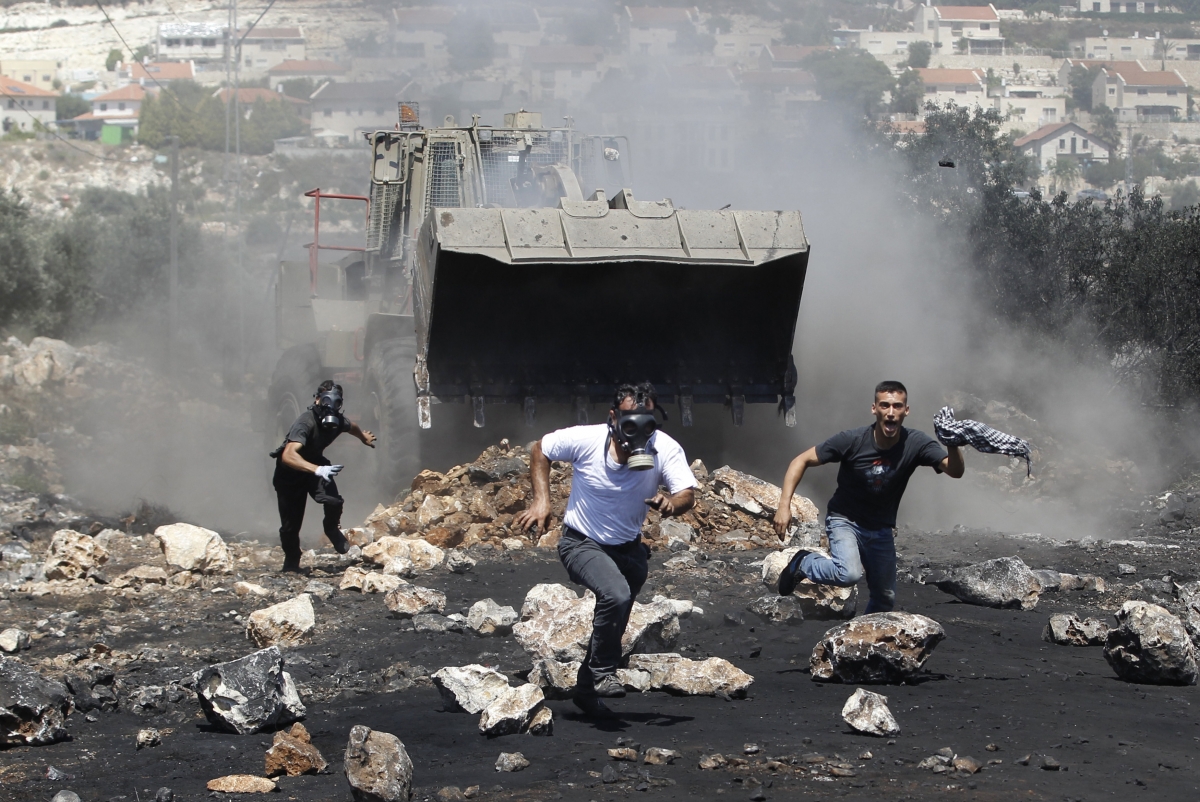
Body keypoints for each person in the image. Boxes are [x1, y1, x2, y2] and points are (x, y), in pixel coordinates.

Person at [515, 383, 698, 718]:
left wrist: (672, 504)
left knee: (617, 614)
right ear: (614, 417)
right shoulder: (587, 439)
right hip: (581, 541)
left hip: (630, 550)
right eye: (630, 422)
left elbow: (687, 492)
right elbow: (541, 449)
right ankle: (602, 673)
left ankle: (585, 691)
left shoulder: (663, 447)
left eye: (647, 423)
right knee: (615, 595)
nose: (638, 432)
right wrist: (541, 500)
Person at [773, 380, 964, 614]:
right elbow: (800, 461)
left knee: (885, 599)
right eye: (885, 406)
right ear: (874, 409)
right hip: (845, 520)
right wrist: (784, 506)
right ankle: (804, 563)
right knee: (849, 573)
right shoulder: (852, 440)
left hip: (881, 528)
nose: (891, 413)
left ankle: (861, 641)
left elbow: (955, 471)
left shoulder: (916, 443)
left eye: (897, 406)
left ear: (906, 410)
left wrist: (953, 443)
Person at [270, 380, 376, 573]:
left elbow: (351, 425)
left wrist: (364, 438)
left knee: (334, 501)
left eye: (336, 403)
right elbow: (288, 455)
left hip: (315, 465)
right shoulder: (305, 422)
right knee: (290, 527)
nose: (331, 407)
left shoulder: (336, 422)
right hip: (290, 474)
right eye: (326, 400)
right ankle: (292, 562)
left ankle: (331, 528)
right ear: (317, 399)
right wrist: (317, 470)